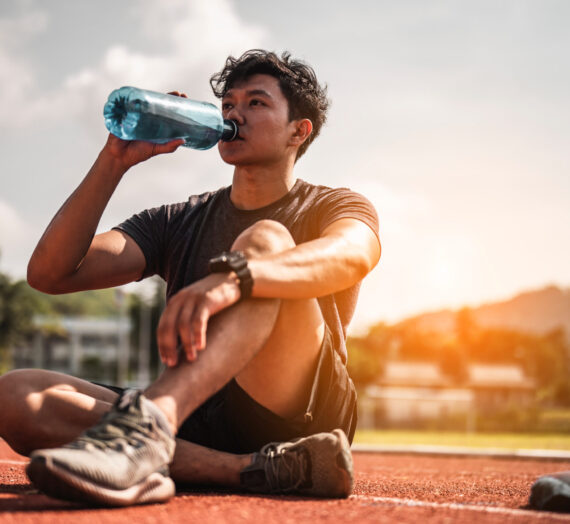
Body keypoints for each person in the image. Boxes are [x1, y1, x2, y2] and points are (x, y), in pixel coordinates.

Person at [0, 49, 380, 507]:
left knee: (266, 240)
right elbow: (50, 273)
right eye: (228, 105)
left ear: (298, 132)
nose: (235, 113)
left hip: (297, 412)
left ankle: (151, 426)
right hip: (200, 416)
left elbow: (353, 255)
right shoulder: (180, 219)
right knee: (16, 395)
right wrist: (114, 160)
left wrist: (238, 277)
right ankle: (255, 469)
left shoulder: (332, 205)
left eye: (256, 103)